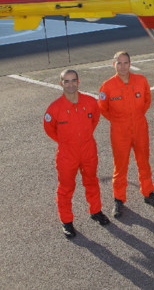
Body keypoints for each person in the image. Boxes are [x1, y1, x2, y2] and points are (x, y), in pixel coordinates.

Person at [44, 69, 110, 238]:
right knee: (66, 188)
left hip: (88, 150)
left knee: (91, 181)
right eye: (66, 81)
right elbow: (50, 130)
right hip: (67, 153)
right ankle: (66, 222)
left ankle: (95, 211)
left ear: (78, 82)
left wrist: (84, 138)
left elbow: (94, 119)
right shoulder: (54, 108)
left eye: (73, 80)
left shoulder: (90, 102)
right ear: (61, 84)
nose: (70, 84)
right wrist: (66, 142)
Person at [98, 51, 154, 218]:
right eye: (119, 63)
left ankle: (148, 193)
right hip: (120, 130)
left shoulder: (141, 80)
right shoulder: (108, 86)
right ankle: (119, 199)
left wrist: (137, 115)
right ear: (114, 65)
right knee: (120, 166)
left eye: (126, 63)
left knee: (144, 162)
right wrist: (118, 120)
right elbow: (103, 108)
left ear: (130, 63)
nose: (123, 66)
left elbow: (147, 100)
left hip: (140, 127)